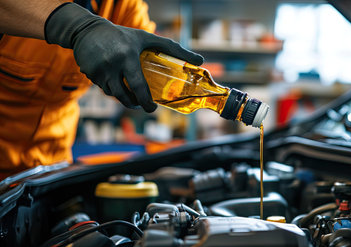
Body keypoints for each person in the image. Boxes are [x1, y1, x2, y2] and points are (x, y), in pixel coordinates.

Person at [0, 0, 203, 178]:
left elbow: (144, 65)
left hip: (50, 168)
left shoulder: (120, 5)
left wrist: (172, 78)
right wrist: (76, 26)